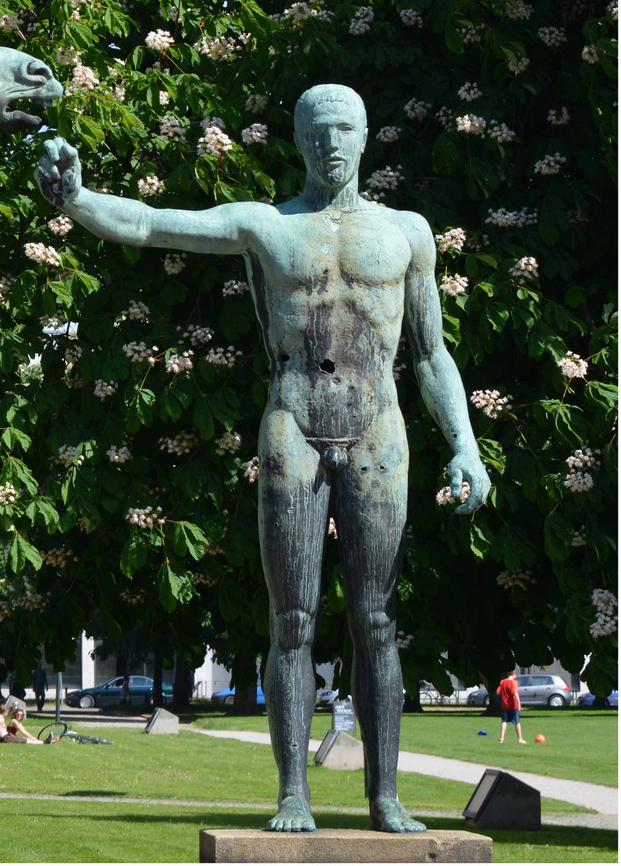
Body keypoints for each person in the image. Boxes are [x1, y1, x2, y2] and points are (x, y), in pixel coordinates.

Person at [38, 84, 491, 836]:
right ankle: (293, 794)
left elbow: (431, 353)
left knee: (376, 621)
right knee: (291, 620)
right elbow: (153, 223)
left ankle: (384, 795)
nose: (330, 143)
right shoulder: (265, 224)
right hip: (294, 427)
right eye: (315, 131)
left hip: (379, 430)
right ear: (296, 139)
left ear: (367, 133)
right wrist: (79, 199)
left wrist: (465, 446)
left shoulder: (407, 231)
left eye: (344, 127)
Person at [498, 673, 526, 744]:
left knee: (504, 721)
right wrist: (519, 703)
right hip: (513, 705)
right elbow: (515, 693)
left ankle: (501, 738)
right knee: (517, 722)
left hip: (504, 705)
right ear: (514, 674)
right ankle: (520, 739)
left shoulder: (502, 682)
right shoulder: (514, 682)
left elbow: (498, 692)